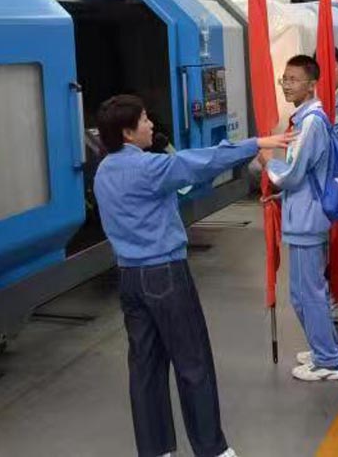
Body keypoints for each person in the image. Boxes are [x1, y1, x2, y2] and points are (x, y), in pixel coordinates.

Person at [93, 95, 291, 457]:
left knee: (145, 367)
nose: (151, 125)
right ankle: (211, 449)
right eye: (144, 120)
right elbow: (201, 162)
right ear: (127, 133)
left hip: (130, 278)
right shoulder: (149, 168)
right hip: (165, 274)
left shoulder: (104, 170)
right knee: (192, 361)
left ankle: (155, 449)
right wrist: (256, 143)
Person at [265, 55, 338, 382]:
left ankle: (328, 360)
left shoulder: (311, 122)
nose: (287, 85)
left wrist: (268, 164)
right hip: (303, 215)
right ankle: (325, 348)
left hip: (307, 219)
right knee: (306, 292)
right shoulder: (307, 118)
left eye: (294, 79)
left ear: (311, 84)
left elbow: (294, 173)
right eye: (284, 79)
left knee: (307, 293)